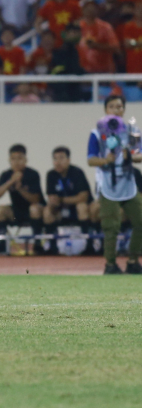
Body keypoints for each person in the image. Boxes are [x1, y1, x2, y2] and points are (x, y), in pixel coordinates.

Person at [87, 96, 142, 274]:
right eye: (112, 106)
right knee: (111, 226)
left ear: (123, 110)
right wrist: (105, 160)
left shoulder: (132, 131)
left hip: (128, 183)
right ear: (106, 110)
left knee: (140, 221)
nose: (116, 110)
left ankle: (133, 260)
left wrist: (130, 156)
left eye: (119, 106)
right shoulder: (97, 133)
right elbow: (90, 160)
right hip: (108, 184)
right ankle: (110, 264)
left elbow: (139, 155)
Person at [0, 144, 45, 252]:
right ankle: (2, 243)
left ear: (25, 160)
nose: (16, 162)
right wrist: (11, 181)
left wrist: (20, 189)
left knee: (34, 208)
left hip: (34, 212)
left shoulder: (32, 174)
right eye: (13, 159)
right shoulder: (6, 175)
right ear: (9, 160)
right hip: (16, 211)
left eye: (20, 158)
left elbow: (36, 199)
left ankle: (37, 243)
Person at [44, 146, 93, 243]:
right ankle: (50, 245)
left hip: (77, 209)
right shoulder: (51, 175)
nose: (58, 162)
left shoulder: (77, 172)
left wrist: (62, 200)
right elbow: (52, 198)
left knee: (81, 207)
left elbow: (83, 197)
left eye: (61, 158)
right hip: (61, 209)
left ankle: (88, 244)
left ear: (68, 160)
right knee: (47, 210)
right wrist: (55, 201)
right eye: (55, 159)